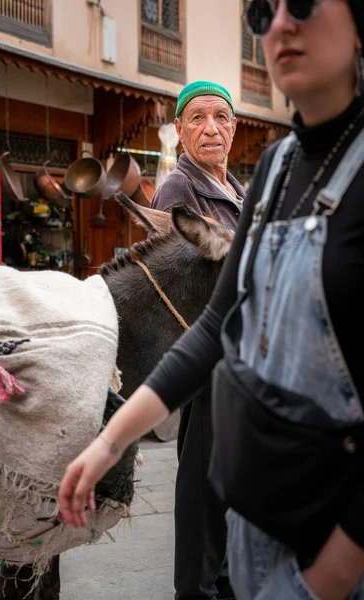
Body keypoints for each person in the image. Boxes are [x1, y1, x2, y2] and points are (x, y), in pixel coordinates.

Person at [59, 1, 364, 599]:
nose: (278, 25)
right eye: (260, 13)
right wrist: (108, 440)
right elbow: (215, 324)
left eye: (301, 3)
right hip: (256, 509)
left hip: (331, 533)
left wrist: (334, 568)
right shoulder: (274, 171)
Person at [150, 80, 245, 600]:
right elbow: (169, 287)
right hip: (207, 364)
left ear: (234, 127)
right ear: (182, 129)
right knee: (202, 495)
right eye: (199, 118)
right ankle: (197, 591)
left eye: (222, 117)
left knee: (230, 489)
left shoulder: (239, 192)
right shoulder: (177, 191)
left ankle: (225, 585)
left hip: (241, 365)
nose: (212, 128)